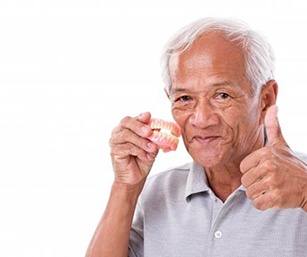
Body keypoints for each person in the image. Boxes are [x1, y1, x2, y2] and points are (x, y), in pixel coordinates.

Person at [85, 17, 307, 257]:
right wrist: (125, 189)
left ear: (266, 99)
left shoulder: (301, 183)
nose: (201, 120)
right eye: (185, 99)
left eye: (222, 95)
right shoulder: (158, 192)